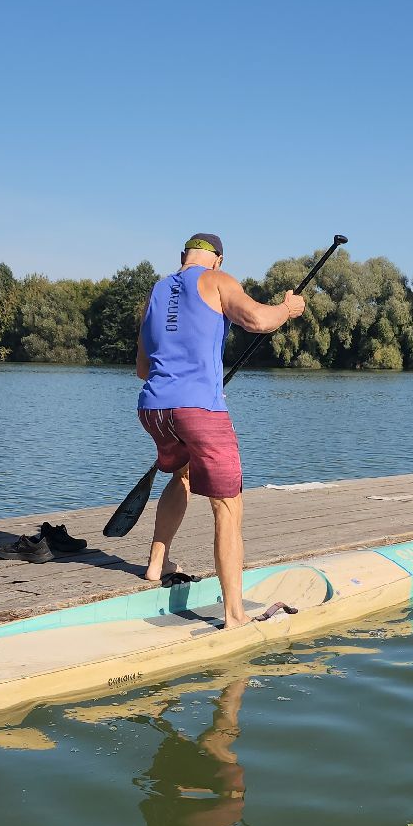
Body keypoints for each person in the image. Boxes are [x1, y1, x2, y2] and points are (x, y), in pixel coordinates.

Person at [136, 233, 305, 628]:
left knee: (182, 475)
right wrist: (288, 308)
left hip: (153, 409)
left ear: (183, 256)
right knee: (227, 506)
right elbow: (259, 320)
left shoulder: (155, 293)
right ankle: (234, 615)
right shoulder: (217, 280)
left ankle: (156, 565)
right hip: (199, 410)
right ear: (218, 260)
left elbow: (143, 369)